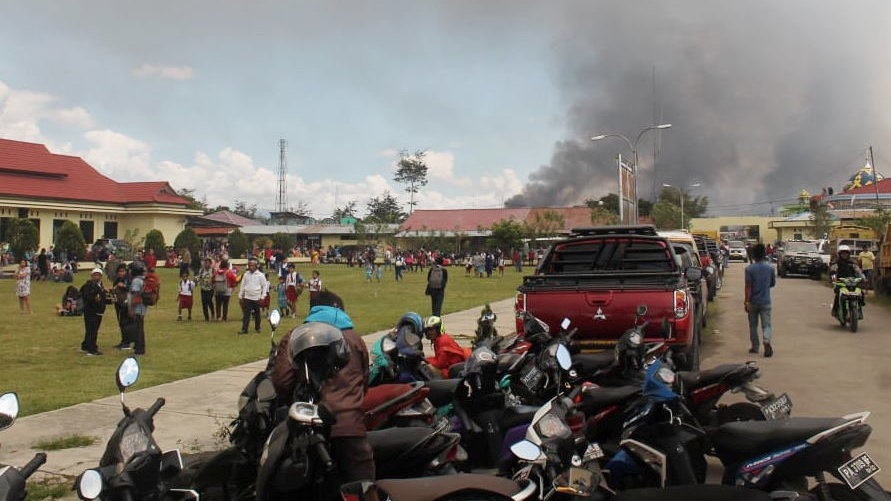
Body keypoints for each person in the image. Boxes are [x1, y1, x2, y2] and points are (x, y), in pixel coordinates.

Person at [271, 290, 374, 485]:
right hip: (350, 427)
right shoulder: (354, 338)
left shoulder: (297, 336)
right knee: (363, 487)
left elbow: (282, 382)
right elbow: (364, 383)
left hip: (310, 428)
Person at [744, 243, 776, 357]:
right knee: (766, 325)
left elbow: (748, 287)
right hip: (766, 301)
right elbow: (772, 284)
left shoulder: (749, 269)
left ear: (753, 255)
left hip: (753, 301)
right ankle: (766, 340)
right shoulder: (770, 268)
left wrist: (746, 301)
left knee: (753, 325)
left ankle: (755, 347)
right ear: (764, 254)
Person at [830, 244, 865, 319]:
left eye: (846, 253)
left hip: (852, 282)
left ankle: (859, 311)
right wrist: (834, 280)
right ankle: (835, 310)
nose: (844, 255)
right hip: (840, 282)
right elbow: (833, 272)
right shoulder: (836, 263)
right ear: (839, 254)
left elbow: (858, 271)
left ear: (849, 254)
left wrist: (863, 278)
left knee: (860, 293)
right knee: (838, 295)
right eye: (843, 253)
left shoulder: (853, 263)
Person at [80, 268, 108, 356]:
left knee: (91, 329)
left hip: (98, 310)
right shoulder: (89, 286)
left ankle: (86, 345)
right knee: (92, 329)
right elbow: (86, 296)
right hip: (91, 311)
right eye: (95, 275)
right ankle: (92, 349)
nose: (97, 277)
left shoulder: (100, 285)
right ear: (92, 276)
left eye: (98, 275)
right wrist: (94, 299)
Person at [238, 257, 267, 334]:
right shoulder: (246, 274)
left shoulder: (260, 275)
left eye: (253, 266)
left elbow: (264, 286)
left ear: (256, 266)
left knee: (257, 313)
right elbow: (242, 285)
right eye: (250, 265)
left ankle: (257, 328)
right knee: (246, 314)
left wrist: (263, 297)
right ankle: (244, 329)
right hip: (247, 297)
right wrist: (240, 296)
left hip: (257, 297)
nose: (251, 267)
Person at [111, 265, 134, 350]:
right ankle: (123, 341)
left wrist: (124, 286)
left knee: (126, 322)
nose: (121, 273)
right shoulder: (117, 280)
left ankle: (127, 342)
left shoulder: (129, 280)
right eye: (119, 271)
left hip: (126, 303)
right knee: (121, 322)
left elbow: (132, 290)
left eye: (123, 271)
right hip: (118, 303)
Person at [128, 264, 149, 355]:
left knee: (138, 328)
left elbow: (136, 295)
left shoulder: (136, 281)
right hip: (142, 307)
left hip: (138, 308)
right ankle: (139, 346)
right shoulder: (142, 279)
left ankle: (139, 348)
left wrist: (131, 308)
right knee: (139, 328)